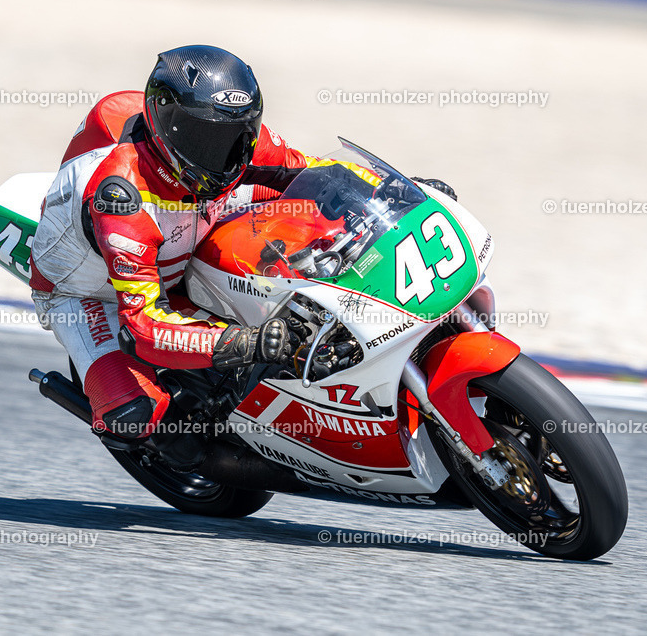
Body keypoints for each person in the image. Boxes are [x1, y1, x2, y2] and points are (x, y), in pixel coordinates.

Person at [29, 44, 455, 466]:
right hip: (92, 292)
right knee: (137, 416)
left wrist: (392, 192)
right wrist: (245, 342)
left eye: (236, 135)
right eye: (205, 137)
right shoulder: (122, 198)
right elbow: (143, 326)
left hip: (195, 220)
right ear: (165, 126)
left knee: (317, 217)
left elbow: (318, 173)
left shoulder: (240, 142)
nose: (224, 152)